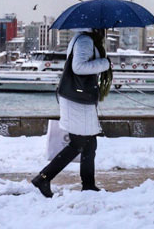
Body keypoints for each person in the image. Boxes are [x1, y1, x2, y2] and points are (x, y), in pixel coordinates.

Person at [32, 28, 112, 198]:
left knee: (89, 143)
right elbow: (78, 67)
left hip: (79, 98)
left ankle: (88, 185)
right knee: (79, 143)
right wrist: (105, 63)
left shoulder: (82, 39)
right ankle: (43, 177)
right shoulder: (85, 41)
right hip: (78, 99)